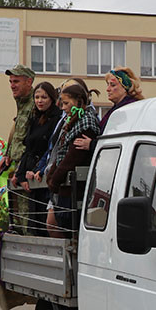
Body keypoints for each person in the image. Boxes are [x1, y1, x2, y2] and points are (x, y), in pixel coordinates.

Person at [46, 82, 101, 237]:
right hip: (66, 189)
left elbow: (73, 157)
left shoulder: (86, 123)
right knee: (62, 225)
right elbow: (61, 152)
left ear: (78, 102)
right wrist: (52, 174)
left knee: (71, 229)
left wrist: (55, 179)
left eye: (66, 103)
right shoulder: (72, 121)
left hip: (75, 190)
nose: (63, 108)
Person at [13, 81, 62, 237]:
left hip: (43, 174)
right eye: (37, 97)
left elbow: (50, 149)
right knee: (33, 223)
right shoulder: (34, 117)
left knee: (43, 221)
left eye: (44, 97)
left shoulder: (57, 118)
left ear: (52, 99)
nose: (40, 101)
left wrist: (37, 170)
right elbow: (28, 148)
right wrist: (20, 174)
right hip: (30, 173)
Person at [0, 65, 36, 233]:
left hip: (27, 169)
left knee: (27, 219)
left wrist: (21, 167)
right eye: (11, 82)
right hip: (18, 167)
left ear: (29, 82)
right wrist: (7, 155)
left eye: (16, 81)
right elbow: (17, 133)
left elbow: (32, 141)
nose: (12, 85)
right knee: (18, 218)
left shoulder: (34, 104)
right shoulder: (22, 104)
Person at [74, 67, 143, 152]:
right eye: (108, 85)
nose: (108, 89)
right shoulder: (119, 108)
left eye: (113, 85)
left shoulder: (127, 110)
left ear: (125, 87)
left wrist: (92, 145)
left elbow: (115, 139)